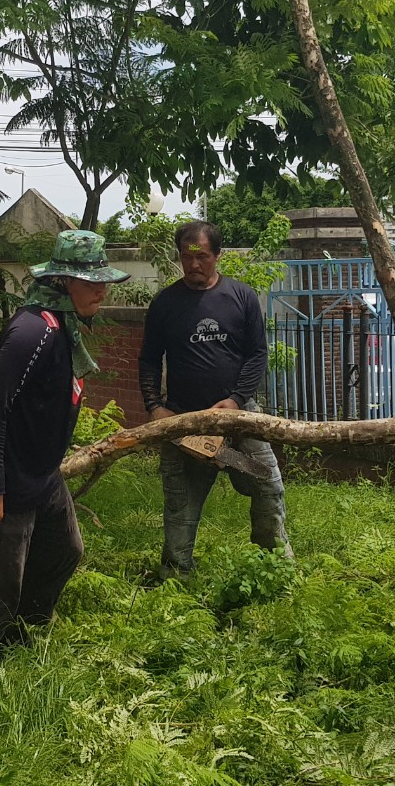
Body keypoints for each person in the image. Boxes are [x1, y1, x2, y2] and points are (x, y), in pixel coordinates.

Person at [0, 230, 129, 673]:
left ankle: (20, 636)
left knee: (65, 550)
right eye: (92, 282)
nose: (102, 291)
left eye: (103, 281)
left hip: (39, 470)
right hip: (2, 475)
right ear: (63, 281)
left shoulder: (62, 326)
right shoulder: (33, 331)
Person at [138, 220, 292, 579]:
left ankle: (273, 567)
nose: (193, 264)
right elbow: (149, 359)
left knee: (267, 484)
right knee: (181, 505)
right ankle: (176, 577)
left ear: (218, 255)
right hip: (183, 424)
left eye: (202, 257)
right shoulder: (165, 303)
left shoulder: (241, 297)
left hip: (238, 420)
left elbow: (257, 354)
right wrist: (154, 406)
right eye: (186, 257)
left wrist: (236, 400)